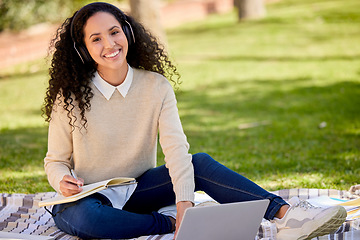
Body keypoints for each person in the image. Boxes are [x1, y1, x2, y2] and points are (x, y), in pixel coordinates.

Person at [42, 2, 346, 240]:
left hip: (139, 189)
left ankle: (286, 216)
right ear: (84, 50)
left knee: (197, 162)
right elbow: (55, 161)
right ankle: (171, 222)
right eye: (96, 39)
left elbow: (176, 151)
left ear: (128, 33)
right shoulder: (68, 98)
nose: (109, 44)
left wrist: (185, 200)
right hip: (90, 198)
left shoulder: (156, 86)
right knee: (86, 220)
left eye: (114, 32)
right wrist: (62, 181)